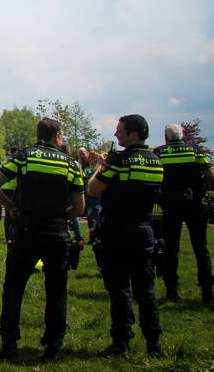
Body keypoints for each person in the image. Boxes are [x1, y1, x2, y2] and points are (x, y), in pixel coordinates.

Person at [0, 118, 85, 364]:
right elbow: (80, 207)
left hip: (26, 231)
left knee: (14, 289)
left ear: (38, 134)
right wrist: (61, 216)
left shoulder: (24, 157)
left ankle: (9, 346)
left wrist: (11, 207)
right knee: (56, 291)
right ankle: (52, 347)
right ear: (58, 136)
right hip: (56, 233)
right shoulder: (71, 164)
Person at [87, 114, 164, 357]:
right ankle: (154, 344)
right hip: (144, 230)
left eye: (120, 130)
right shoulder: (156, 161)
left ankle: (120, 342)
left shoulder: (119, 160)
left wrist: (102, 164)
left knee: (120, 289)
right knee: (146, 290)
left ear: (133, 133)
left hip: (117, 231)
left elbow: (93, 188)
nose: (116, 134)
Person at [154, 123, 213, 303]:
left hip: (171, 204)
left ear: (166, 136)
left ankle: (172, 290)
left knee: (171, 249)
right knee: (200, 248)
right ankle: (206, 291)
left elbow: (155, 178)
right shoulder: (195, 151)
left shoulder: (160, 153)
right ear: (183, 135)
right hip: (194, 202)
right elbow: (210, 175)